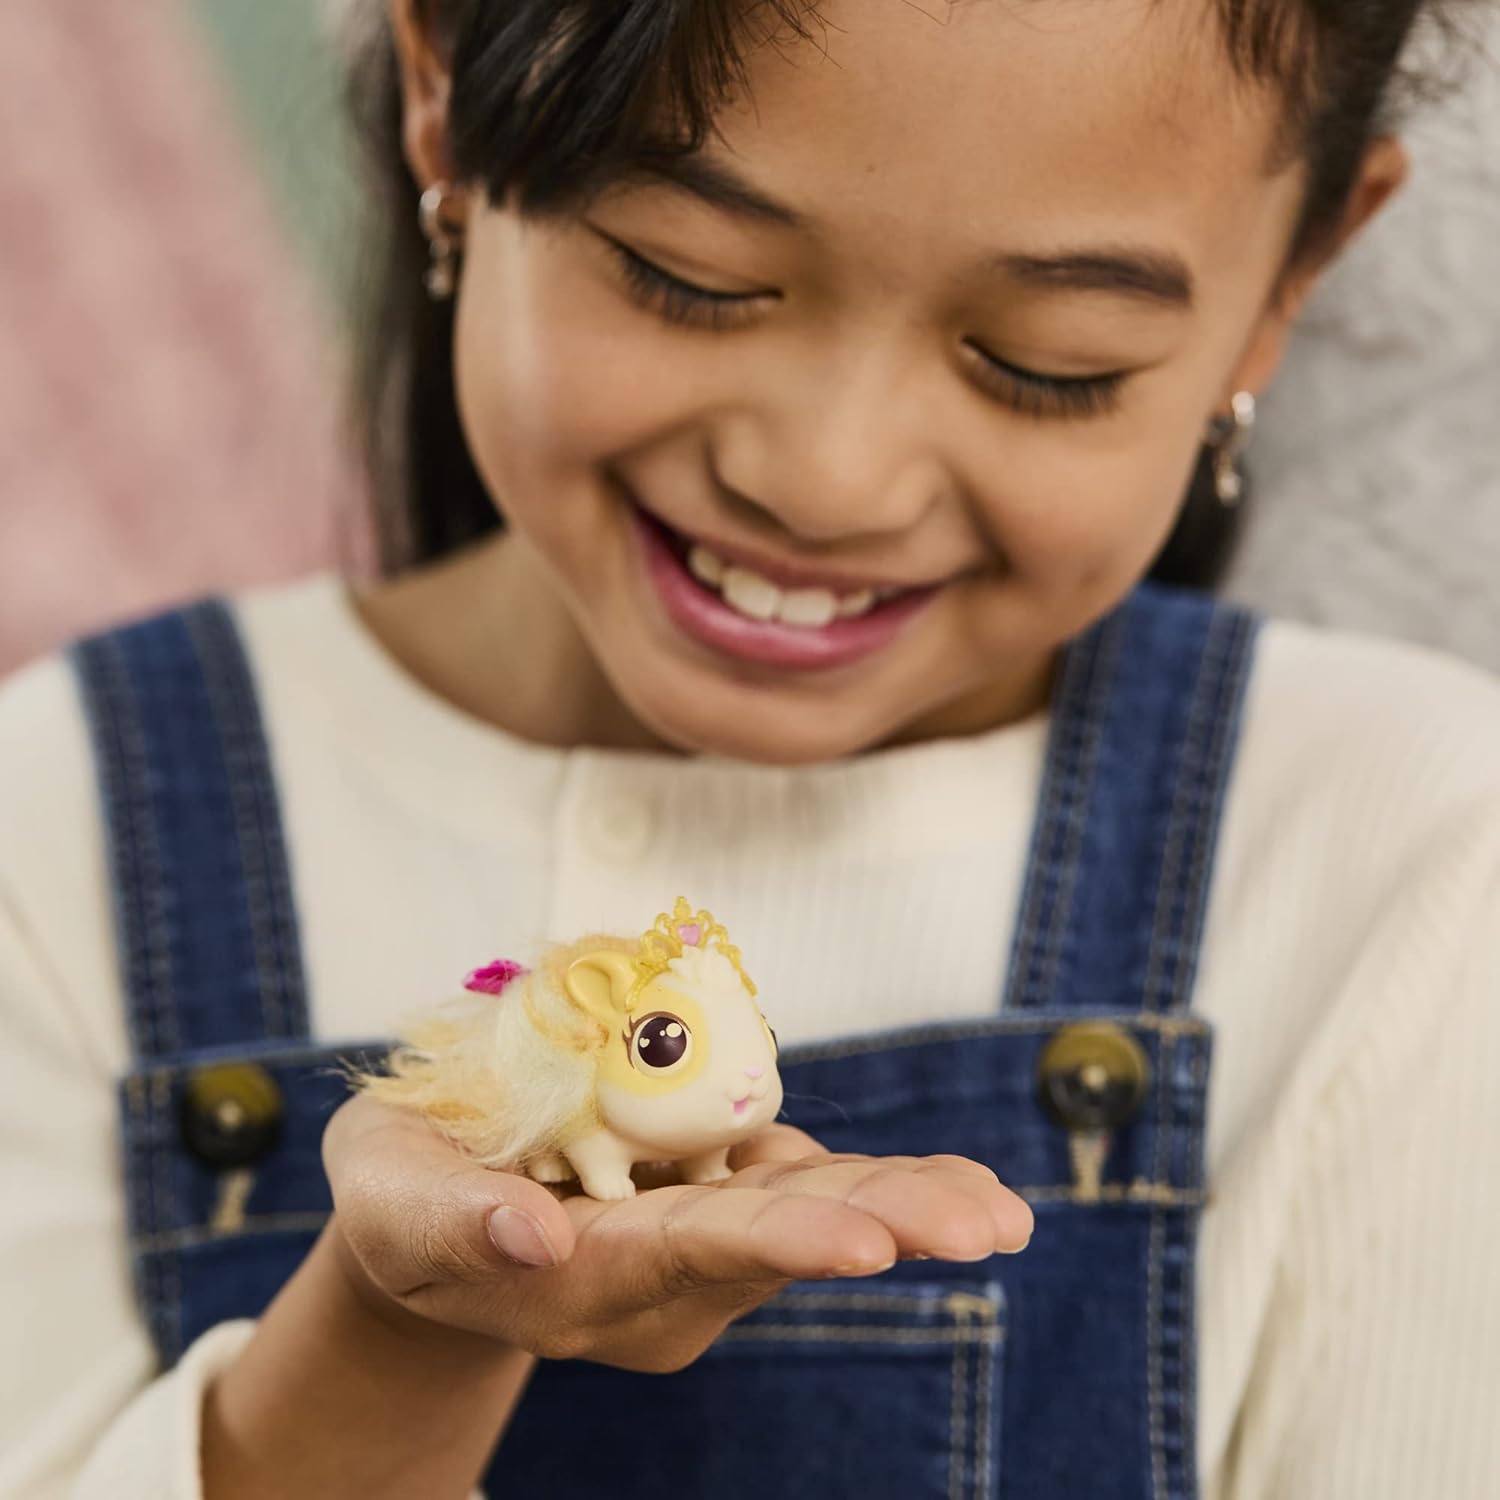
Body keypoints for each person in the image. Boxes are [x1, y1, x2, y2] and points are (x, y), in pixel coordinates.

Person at [1, 1, 1496, 1497]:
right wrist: (395, 1336)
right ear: (445, 98)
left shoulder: (1396, 848)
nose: (829, 478)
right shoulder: (70, 813)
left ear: (1286, 281)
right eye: (688, 276)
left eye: (1048, 360)